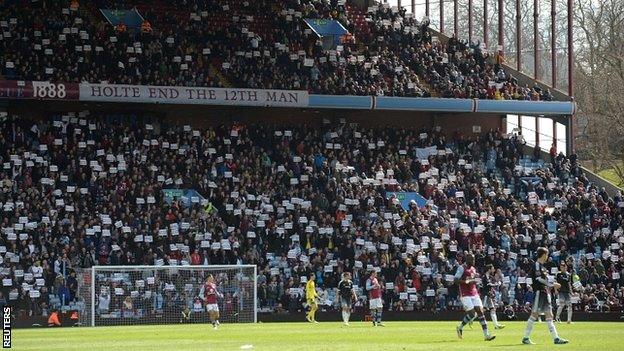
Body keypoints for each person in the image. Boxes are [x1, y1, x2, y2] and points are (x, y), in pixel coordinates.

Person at [522, 247, 569, 345]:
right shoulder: (537, 265)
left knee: (550, 315)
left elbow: (545, 279)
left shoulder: (543, 267)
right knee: (534, 315)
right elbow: (539, 279)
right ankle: (525, 338)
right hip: (539, 292)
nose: (547, 256)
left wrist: (552, 282)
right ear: (543, 255)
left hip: (545, 293)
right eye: (547, 254)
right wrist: (552, 285)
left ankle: (556, 338)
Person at [455, 253, 496, 341]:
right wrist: (467, 282)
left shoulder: (473, 269)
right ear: (467, 259)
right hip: (465, 294)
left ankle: (486, 335)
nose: (474, 261)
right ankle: (460, 327)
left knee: (480, 312)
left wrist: (475, 281)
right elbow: (456, 280)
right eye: (472, 259)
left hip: (474, 292)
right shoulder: (461, 268)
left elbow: (472, 279)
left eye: (474, 259)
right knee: (472, 314)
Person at [482, 264, 505, 329]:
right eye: (492, 268)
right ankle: (470, 319)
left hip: (488, 295)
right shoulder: (484, 277)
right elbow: (488, 285)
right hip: (486, 296)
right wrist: (496, 284)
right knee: (482, 311)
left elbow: (490, 285)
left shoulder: (489, 277)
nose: (493, 270)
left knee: (492, 309)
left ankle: (496, 325)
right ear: (489, 269)